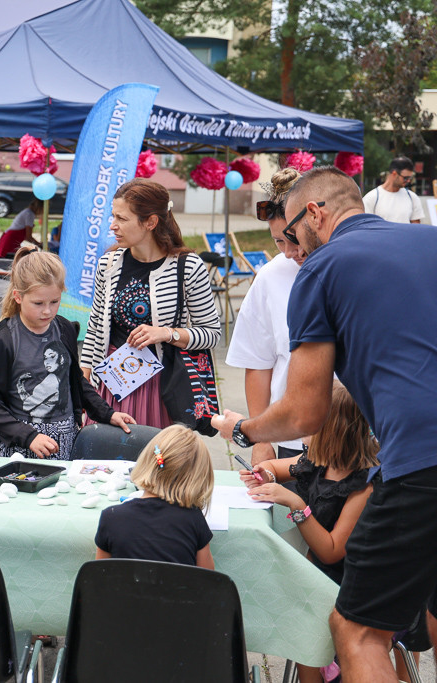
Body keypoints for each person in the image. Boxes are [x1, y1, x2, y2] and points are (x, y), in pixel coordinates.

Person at [211, 166, 437, 683]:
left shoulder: (322, 267)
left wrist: (247, 431)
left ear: (315, 213)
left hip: (422, 458)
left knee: (357, 630)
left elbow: (305, 412)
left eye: (291, 236)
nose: (290, 252)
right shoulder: (430, 241)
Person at [241, 381, 377, 683]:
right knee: (281, 599)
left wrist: (296, 504)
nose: (302, 429)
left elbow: (331, 551)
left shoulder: (362, 485)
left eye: (311, 422)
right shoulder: (317, 463)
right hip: (313, 576)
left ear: (334, 430)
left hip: (347, 587)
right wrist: (263, 473)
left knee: (297, 620)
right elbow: (275, 467)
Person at [79, 178, 220, 429]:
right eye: (113, 216)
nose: (112, 226)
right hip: (111, 383)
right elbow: (94, 329)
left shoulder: (187, 266)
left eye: (122, 219)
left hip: (161, 389)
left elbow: (211, 334)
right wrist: (82, 388)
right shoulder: (108, 264)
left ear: (151, 222)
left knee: (154, 463)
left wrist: (166, 333)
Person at [0, 247, 135, 460]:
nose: (48, 311)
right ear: (18, 296)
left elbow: (75, 380)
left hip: (65, 440)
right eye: (38, 303)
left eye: (54, 302)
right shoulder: (3, 339)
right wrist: (28, 436)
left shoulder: (65, 329)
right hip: (20, 446)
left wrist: (107, 413)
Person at [226, 167, 305, 464]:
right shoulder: (271, 277)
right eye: (278, 242)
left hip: (354, 439)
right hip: (292, 438)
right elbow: (258, 363)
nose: (288, 252)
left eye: (292, 238)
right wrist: (260, 439)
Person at [95, 424, 214, 569]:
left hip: (124, 591)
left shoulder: (111, 517)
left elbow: (99, 578)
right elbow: (208, 581)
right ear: (197, 478)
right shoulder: (194, 520)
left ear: (147, 461)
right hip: (177, 592)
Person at [362, 156, 423, 224]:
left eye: (410, 178)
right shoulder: (372, 197)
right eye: (406, 178)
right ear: (394, 173)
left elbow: (416, 227)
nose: (408, 181)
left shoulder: (412, 197)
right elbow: (366, 227)